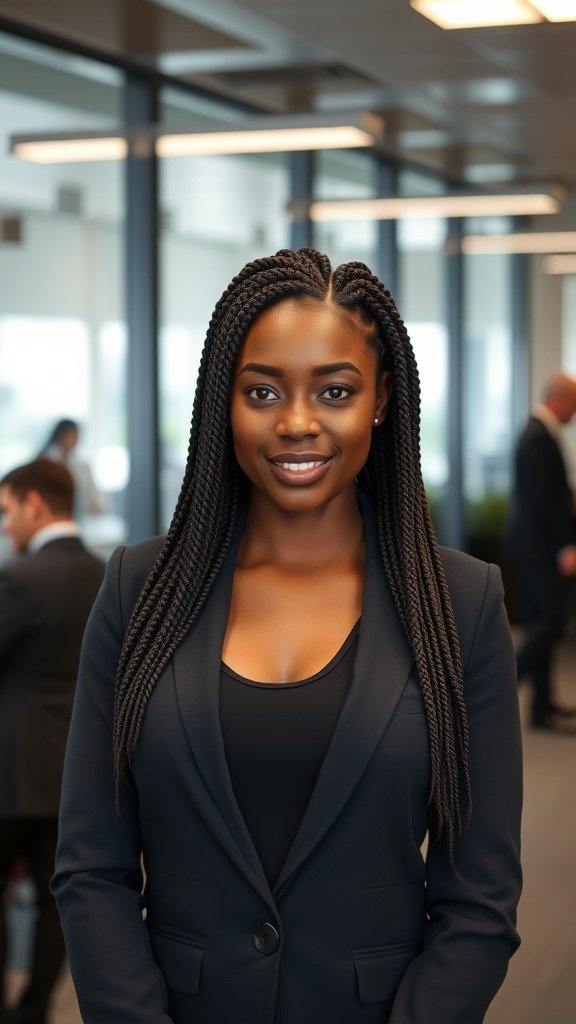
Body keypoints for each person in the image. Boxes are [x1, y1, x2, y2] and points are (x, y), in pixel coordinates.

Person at [52, 249, 522, 1024]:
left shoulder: (461, 605)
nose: (297, 422)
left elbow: (479, 900)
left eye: (335, 391)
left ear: (381, 399)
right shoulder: (139, 592)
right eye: (262, 391)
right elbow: (91, 869)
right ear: (224, 402)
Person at [0, 459, 105, 1024]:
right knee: (58, 903)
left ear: (34, 504)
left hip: (11, 773)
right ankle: (35, 1009)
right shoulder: (109, 574)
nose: (6, 525)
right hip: (78, 773)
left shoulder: (20, 579)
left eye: (7, 510)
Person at [507, 372, 576, 733]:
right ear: (559, 399)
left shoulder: (540, 434)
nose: (574, 413)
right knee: (551, 619)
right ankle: (500, 686)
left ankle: (542, 706)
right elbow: (542, 502)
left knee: (540, 621)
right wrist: (564, 545)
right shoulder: (537, 437)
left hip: (536, 546)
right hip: (542, 548)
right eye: (574, 404)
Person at [39, 418, 105, 520]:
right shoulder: (44, 462)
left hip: (77, 518)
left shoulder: (82, 466)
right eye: (73, 436)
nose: (76, 441)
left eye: (77, 437)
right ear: (61, 435)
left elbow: (94, 499)